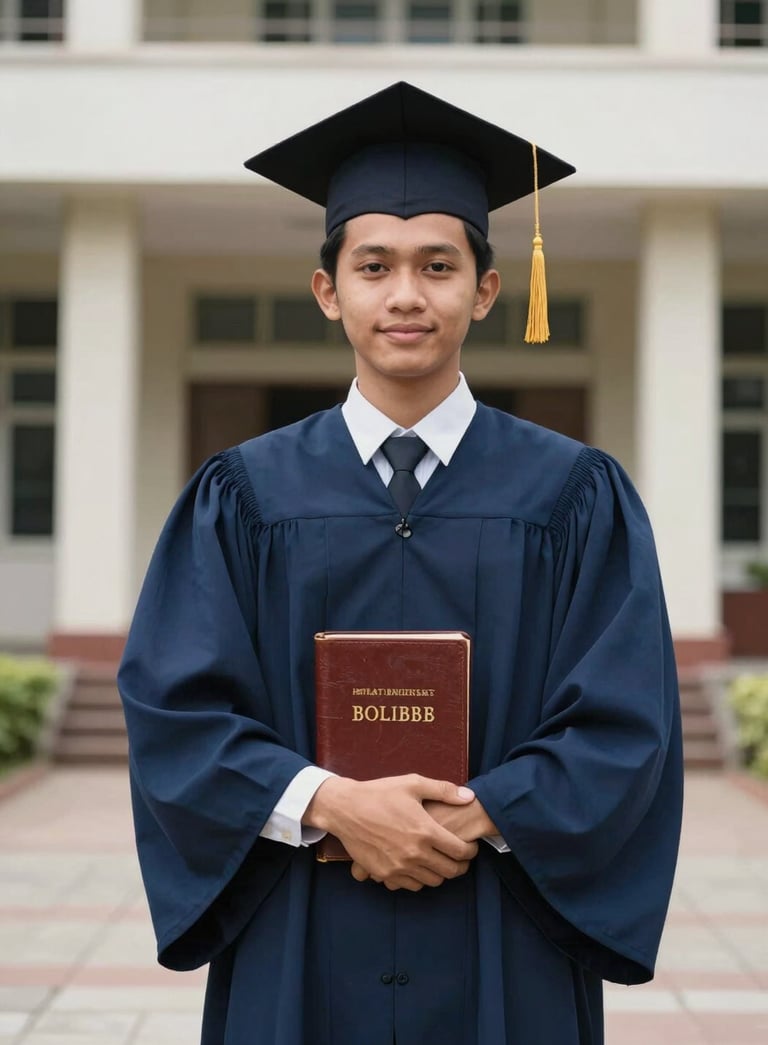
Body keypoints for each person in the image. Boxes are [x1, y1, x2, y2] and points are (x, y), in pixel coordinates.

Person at [118, 82, 683, 1045]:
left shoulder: (575, 496)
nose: (407, 295)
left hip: (504, 927)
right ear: (329, 290)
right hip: (298, 927)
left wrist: (472, 818)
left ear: (487, 290)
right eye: (374, 265)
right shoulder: (244, 496)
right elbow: (178, 709)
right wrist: (329, 802)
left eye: (439, 265)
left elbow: (626, 720)